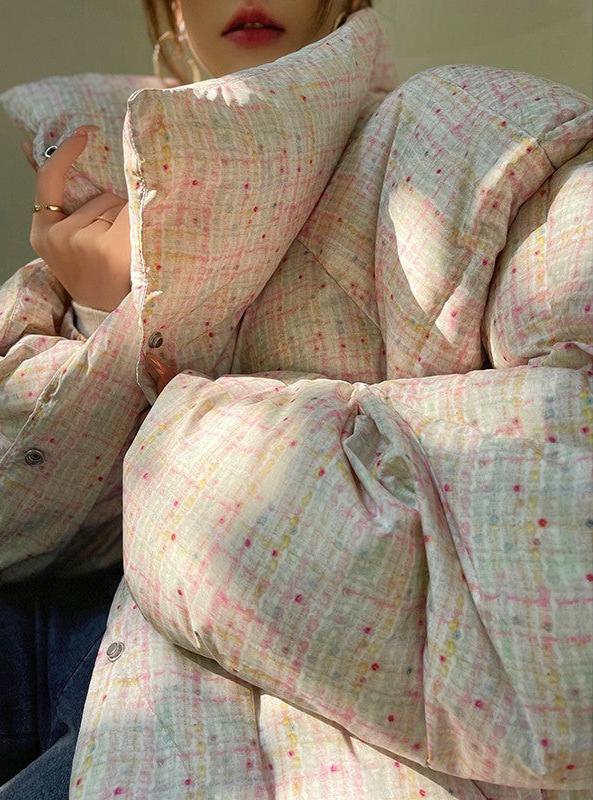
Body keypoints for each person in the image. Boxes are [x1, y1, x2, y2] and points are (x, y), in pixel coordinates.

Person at [0, 2, 373, 797]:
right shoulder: (101, 171)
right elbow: (20, 524)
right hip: (69, 608)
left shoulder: (449, 135)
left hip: (238, 660)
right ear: (169, 10)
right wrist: (100, 315)